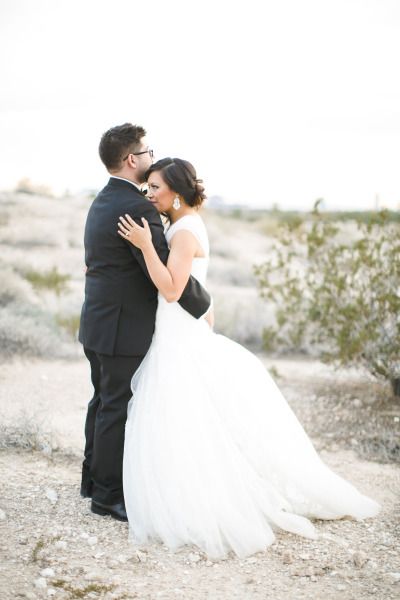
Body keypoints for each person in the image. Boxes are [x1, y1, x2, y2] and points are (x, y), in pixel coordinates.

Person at [118, 157, 380, 559]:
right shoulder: (182, 225)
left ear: (177, 192)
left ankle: (203, 500)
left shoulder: (183, 231)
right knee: (183, 416)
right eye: (148, 186)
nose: (149, 193)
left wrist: (145, 246)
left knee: (183, 413)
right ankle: (186, 491)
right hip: (175, 329)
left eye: (155, 187)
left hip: (178, 335)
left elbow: (171, 289)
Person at [78, 126, 211, 522]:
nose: (151, 157)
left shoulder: (102, 200)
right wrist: (204, 305)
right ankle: (107, 496)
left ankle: (92, 481)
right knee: (115, 407)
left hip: (97, 321)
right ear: (132, 159)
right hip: (122, 327)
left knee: (102, 401)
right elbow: (169, 278)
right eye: (148, 151)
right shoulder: (137, 208)